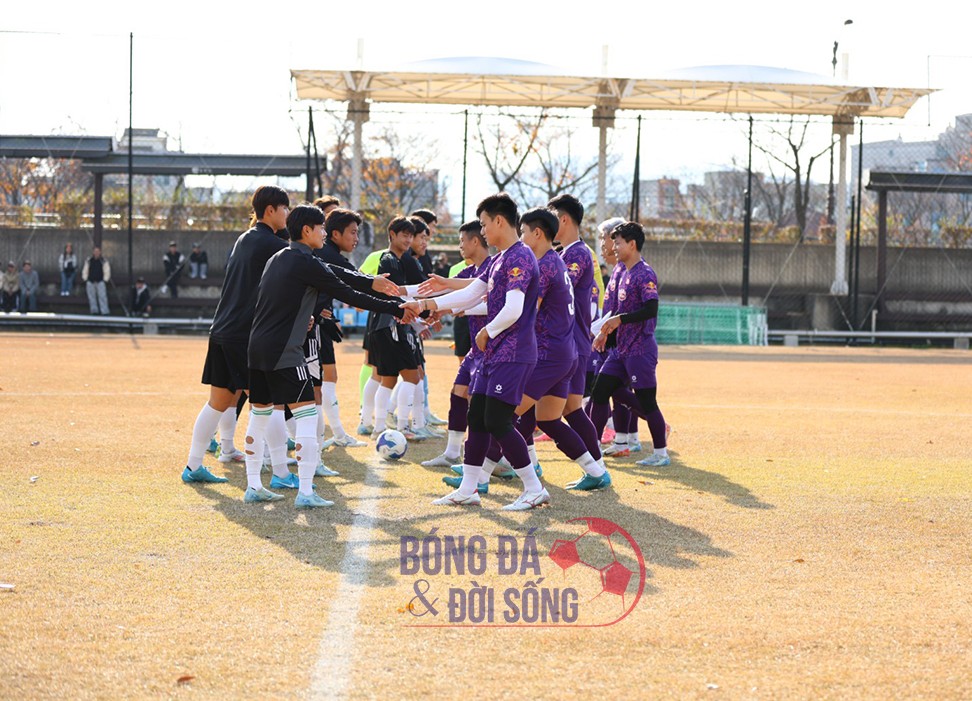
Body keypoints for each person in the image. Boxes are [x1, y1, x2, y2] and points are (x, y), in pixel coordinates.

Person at [240, 204, 416, 507]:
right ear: (307, 231)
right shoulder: (304, 262)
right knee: (308, 416)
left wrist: (371, 282)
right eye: (321, 227)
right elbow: (345, 291)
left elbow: (335, 273)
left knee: (259, 415)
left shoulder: (280, 257)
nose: (324, 232)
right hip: (286, 352)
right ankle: (306, 492)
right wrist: (396, 307)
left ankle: (254, 486)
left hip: (257, 348)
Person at [409, 192, 549, 511]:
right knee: (477, 416)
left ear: (499, 221)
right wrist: (428, 305)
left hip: (513, 353)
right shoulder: (500, 259)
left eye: (485, 224)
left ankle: (533, 488)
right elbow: (472, 293)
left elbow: (513, 308)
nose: (482, 231)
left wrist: (489, 329)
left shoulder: (520, 257)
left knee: (499, 420)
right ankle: (468, 488)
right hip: (493, 355)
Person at [180, 185, 292, 485]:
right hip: (244, 334)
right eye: (285, 209)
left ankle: (193, 467)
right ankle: (279, 471)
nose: (288, 214)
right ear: (270, 210)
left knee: (219, 400)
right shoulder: (271, 244)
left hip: (222, 330)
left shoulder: (245, 238)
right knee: (266, 403)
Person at [590, 221, 671, 467]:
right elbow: (615, 310)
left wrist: (620, 320)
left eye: (618, 242)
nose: (613, 247)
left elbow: (651, 308)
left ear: (632, 244)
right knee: (600, 391)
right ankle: (592, 449)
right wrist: (605, 332)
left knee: (647, 402)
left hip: (640, 349)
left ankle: (660, 454)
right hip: (620, 349)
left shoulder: (645, 273)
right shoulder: (620, 272)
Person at [421, 220, 493, 468]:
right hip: (476, 348)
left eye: (462, 241)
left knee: (480, 403)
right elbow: (449, 294)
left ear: (475, 241)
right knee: (458, 394)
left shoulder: (494, 267)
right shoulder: (469, 270)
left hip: (494, 348)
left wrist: (461, 308)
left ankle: (491, 458)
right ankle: (452, 453)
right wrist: (404, 294)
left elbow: (493, 303)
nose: (460, 246)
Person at [547, 194, 606, 470]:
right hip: (570, 343)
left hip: (572, 343)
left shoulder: (577, 254)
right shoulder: (565, 253)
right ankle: (597, 467)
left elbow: (557, 289)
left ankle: (596, 466)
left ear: (564, 219)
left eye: (550, 219)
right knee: (570, 410)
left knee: (548, 411)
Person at [310, 206, 369, 448]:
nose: (356, 238)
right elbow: (361, 286)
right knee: (311, 389)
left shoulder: (326, 255)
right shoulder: (328, 256)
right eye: (352, 233)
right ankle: (316, 443)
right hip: (310, 327)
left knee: (323, 381)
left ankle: (334, 435)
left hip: (319, 323)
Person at [82, 247, 111, 315]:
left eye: (98, 251)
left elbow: (107, 270)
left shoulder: (103, 261)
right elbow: (85, 269)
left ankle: (104, 311)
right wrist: (85, 278)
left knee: (102, 296)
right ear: (93, 252)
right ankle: (94, 311)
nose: (96, 253)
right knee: (91, 297)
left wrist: (105, 279)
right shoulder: (89, 260)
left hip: (100, 281)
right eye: (95, 251)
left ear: (100, 252)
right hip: (90, 281)